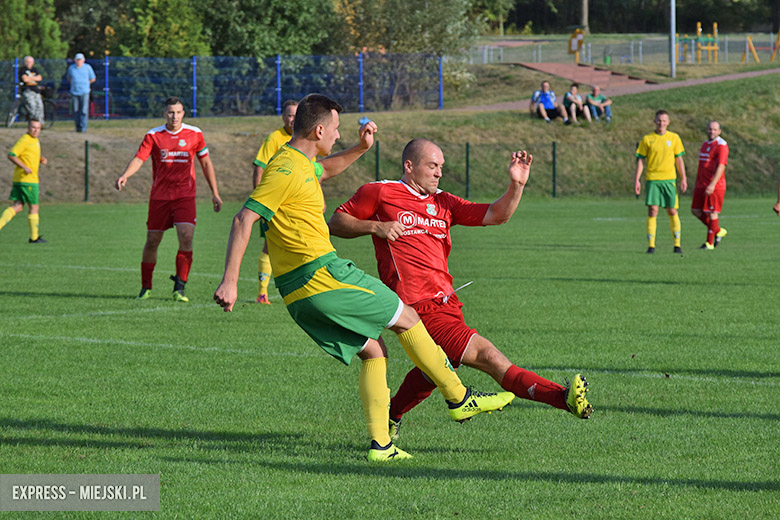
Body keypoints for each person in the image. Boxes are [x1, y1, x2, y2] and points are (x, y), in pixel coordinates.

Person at [213, 94, 515, 462]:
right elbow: (244, 218)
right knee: (407, 316)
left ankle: (381, 446)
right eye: (337, 129)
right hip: (320, 273)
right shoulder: (287, 168)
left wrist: (360, 147)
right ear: (319, 128)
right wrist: (230, 281)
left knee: (374, 351)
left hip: (296, 294)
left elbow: (328, 168)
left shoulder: (304, 163)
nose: (338, 136)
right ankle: (458, 396)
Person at [329, 138, 593, 438]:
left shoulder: (445, 202)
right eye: (432, 166)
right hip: (418, 308)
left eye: (441, 167)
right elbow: (337, 221)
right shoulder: (380, 191)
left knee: (438, 364)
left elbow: (497, 215)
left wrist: (516, 185)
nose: (439, 173)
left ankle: (392, 415)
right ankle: (562, 397)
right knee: (489, 358)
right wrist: (375, 227)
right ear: (409, 166)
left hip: (449, 303)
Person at [115, 96, 223, 302]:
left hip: (185, 195)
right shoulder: (153, 135)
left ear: (184, 113)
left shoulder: (195, 134)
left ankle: (179, 287)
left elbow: (206, 163)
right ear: (165, 113)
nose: (174, 116)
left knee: (187, 236)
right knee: (153, 241)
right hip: (160, 197)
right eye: (170, 112)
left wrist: (215, 193)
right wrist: (125, 175)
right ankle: (146, 286)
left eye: (178, 112)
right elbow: (140, 158)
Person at [252, 99, 298, 304]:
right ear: (283, 117)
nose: (293, 119)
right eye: (290, 115)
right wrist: (260, 198)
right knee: (269, 246)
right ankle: (262, 293)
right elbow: (259, 166)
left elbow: (314, 172)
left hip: (297, 204)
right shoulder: (275, 138)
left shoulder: (304, 140)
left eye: (297, 115)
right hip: (275, 203)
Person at [634, 109, 687, 254]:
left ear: (668, 122)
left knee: (672, 210)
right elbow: (640, 161)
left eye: (664, 120)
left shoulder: (674, 138)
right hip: (652, 179)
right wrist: (637, 180)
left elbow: (679, 159)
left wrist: (683, 178)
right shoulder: (647, 139)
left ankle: (677, 245)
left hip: (669, 179)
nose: (661, 123)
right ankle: (651, 245)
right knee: (653, 210)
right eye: (659, 120)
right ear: (654, 121)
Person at [0, 120, 48, 243]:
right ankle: (34, 238)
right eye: (33, 127)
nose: (36, 130)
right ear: (28, 128)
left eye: (38, 128)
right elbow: (12, 155)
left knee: (18, 206)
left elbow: (28, 157)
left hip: (22, 179)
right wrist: (24, 167)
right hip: (28, 180)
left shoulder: (35, 141)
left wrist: (40, 160)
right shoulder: (25, 140)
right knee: (34, 207)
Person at [691, 121, 729, 250]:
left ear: (719, 131)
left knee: (712, 212)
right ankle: (718, 230)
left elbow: (721, 166)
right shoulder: (705, 144)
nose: (712, 132)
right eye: (709, 129)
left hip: (715, 185)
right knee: (696, 211)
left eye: (714, 129)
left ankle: (709, 243)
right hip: (701, 184)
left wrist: (712, 184)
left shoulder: (721, 145)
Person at [66, 53, 96, 133]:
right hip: (74, 92)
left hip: (85, 92)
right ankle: (77, 127)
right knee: (75, 110)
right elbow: (69, 78)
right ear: (75, 60)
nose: (78, 61)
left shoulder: (87, 68)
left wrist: (86, 84)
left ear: (83, 60)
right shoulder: (71, 68)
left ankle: (83, 128)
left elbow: (93, 78)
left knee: (84, 110)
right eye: (77, 59)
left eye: (80, 59)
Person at [19, 56, 44, 124]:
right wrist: (34, 78)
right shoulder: (22, 70)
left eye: (30, 62)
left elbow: (40, 78)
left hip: (36, 90)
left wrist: (30, 78)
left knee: (40, 107)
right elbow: (25, 79)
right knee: (32, 107)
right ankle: (33, 123)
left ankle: (40, 123)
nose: (29, 63)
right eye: (27, 62)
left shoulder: (35, 69)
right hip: (27, 91)